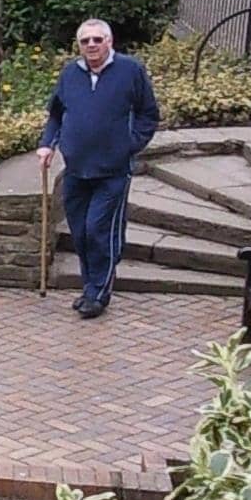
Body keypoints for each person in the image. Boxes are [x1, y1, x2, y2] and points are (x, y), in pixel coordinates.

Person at [36, 18, 159, 320]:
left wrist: (129, 144)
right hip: (77, 170)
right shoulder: (70, 74)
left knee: (99, 230)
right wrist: (47, 143)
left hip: (113, 171)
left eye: (97, 39)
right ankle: (90, 287)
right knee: (80, 233)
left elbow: (149, 113)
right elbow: (56, 113)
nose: (91, 45)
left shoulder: (130, 71)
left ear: (109, 41)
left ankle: (99, 293)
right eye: (85, 41)